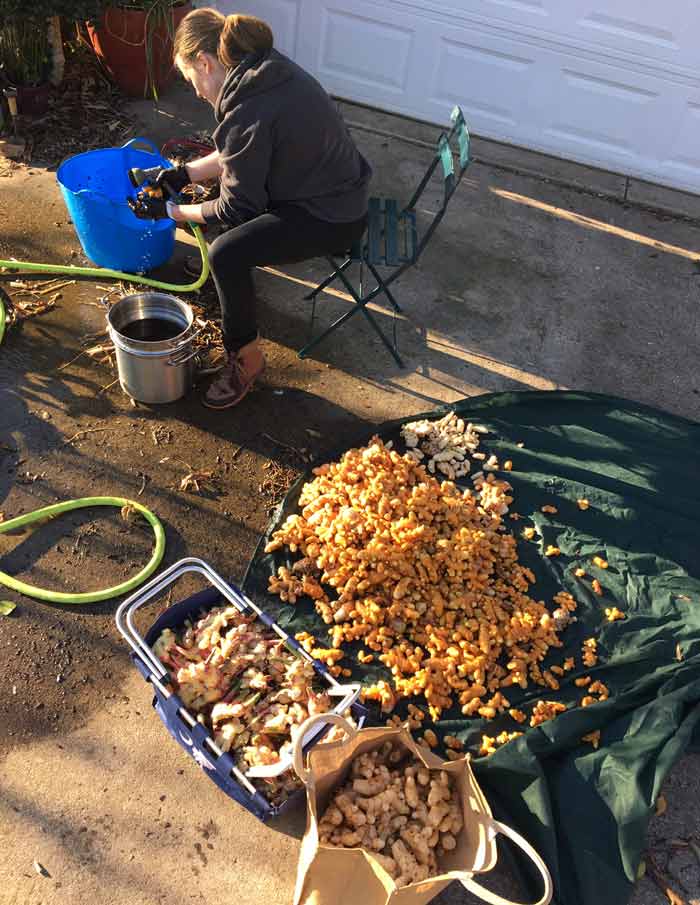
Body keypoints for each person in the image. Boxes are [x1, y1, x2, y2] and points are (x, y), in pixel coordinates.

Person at [128, 9, 371, 409]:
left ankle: (246, 361)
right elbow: (239, 151)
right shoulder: (261, 71)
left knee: (226, 252)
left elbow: (237, 206)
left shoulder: (247, 104)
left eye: (191, 81)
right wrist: (180, 176)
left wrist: (174, 215)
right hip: (334, 188)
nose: (198, 92)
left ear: (204, 64)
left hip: (332, 217)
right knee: (228, 232)